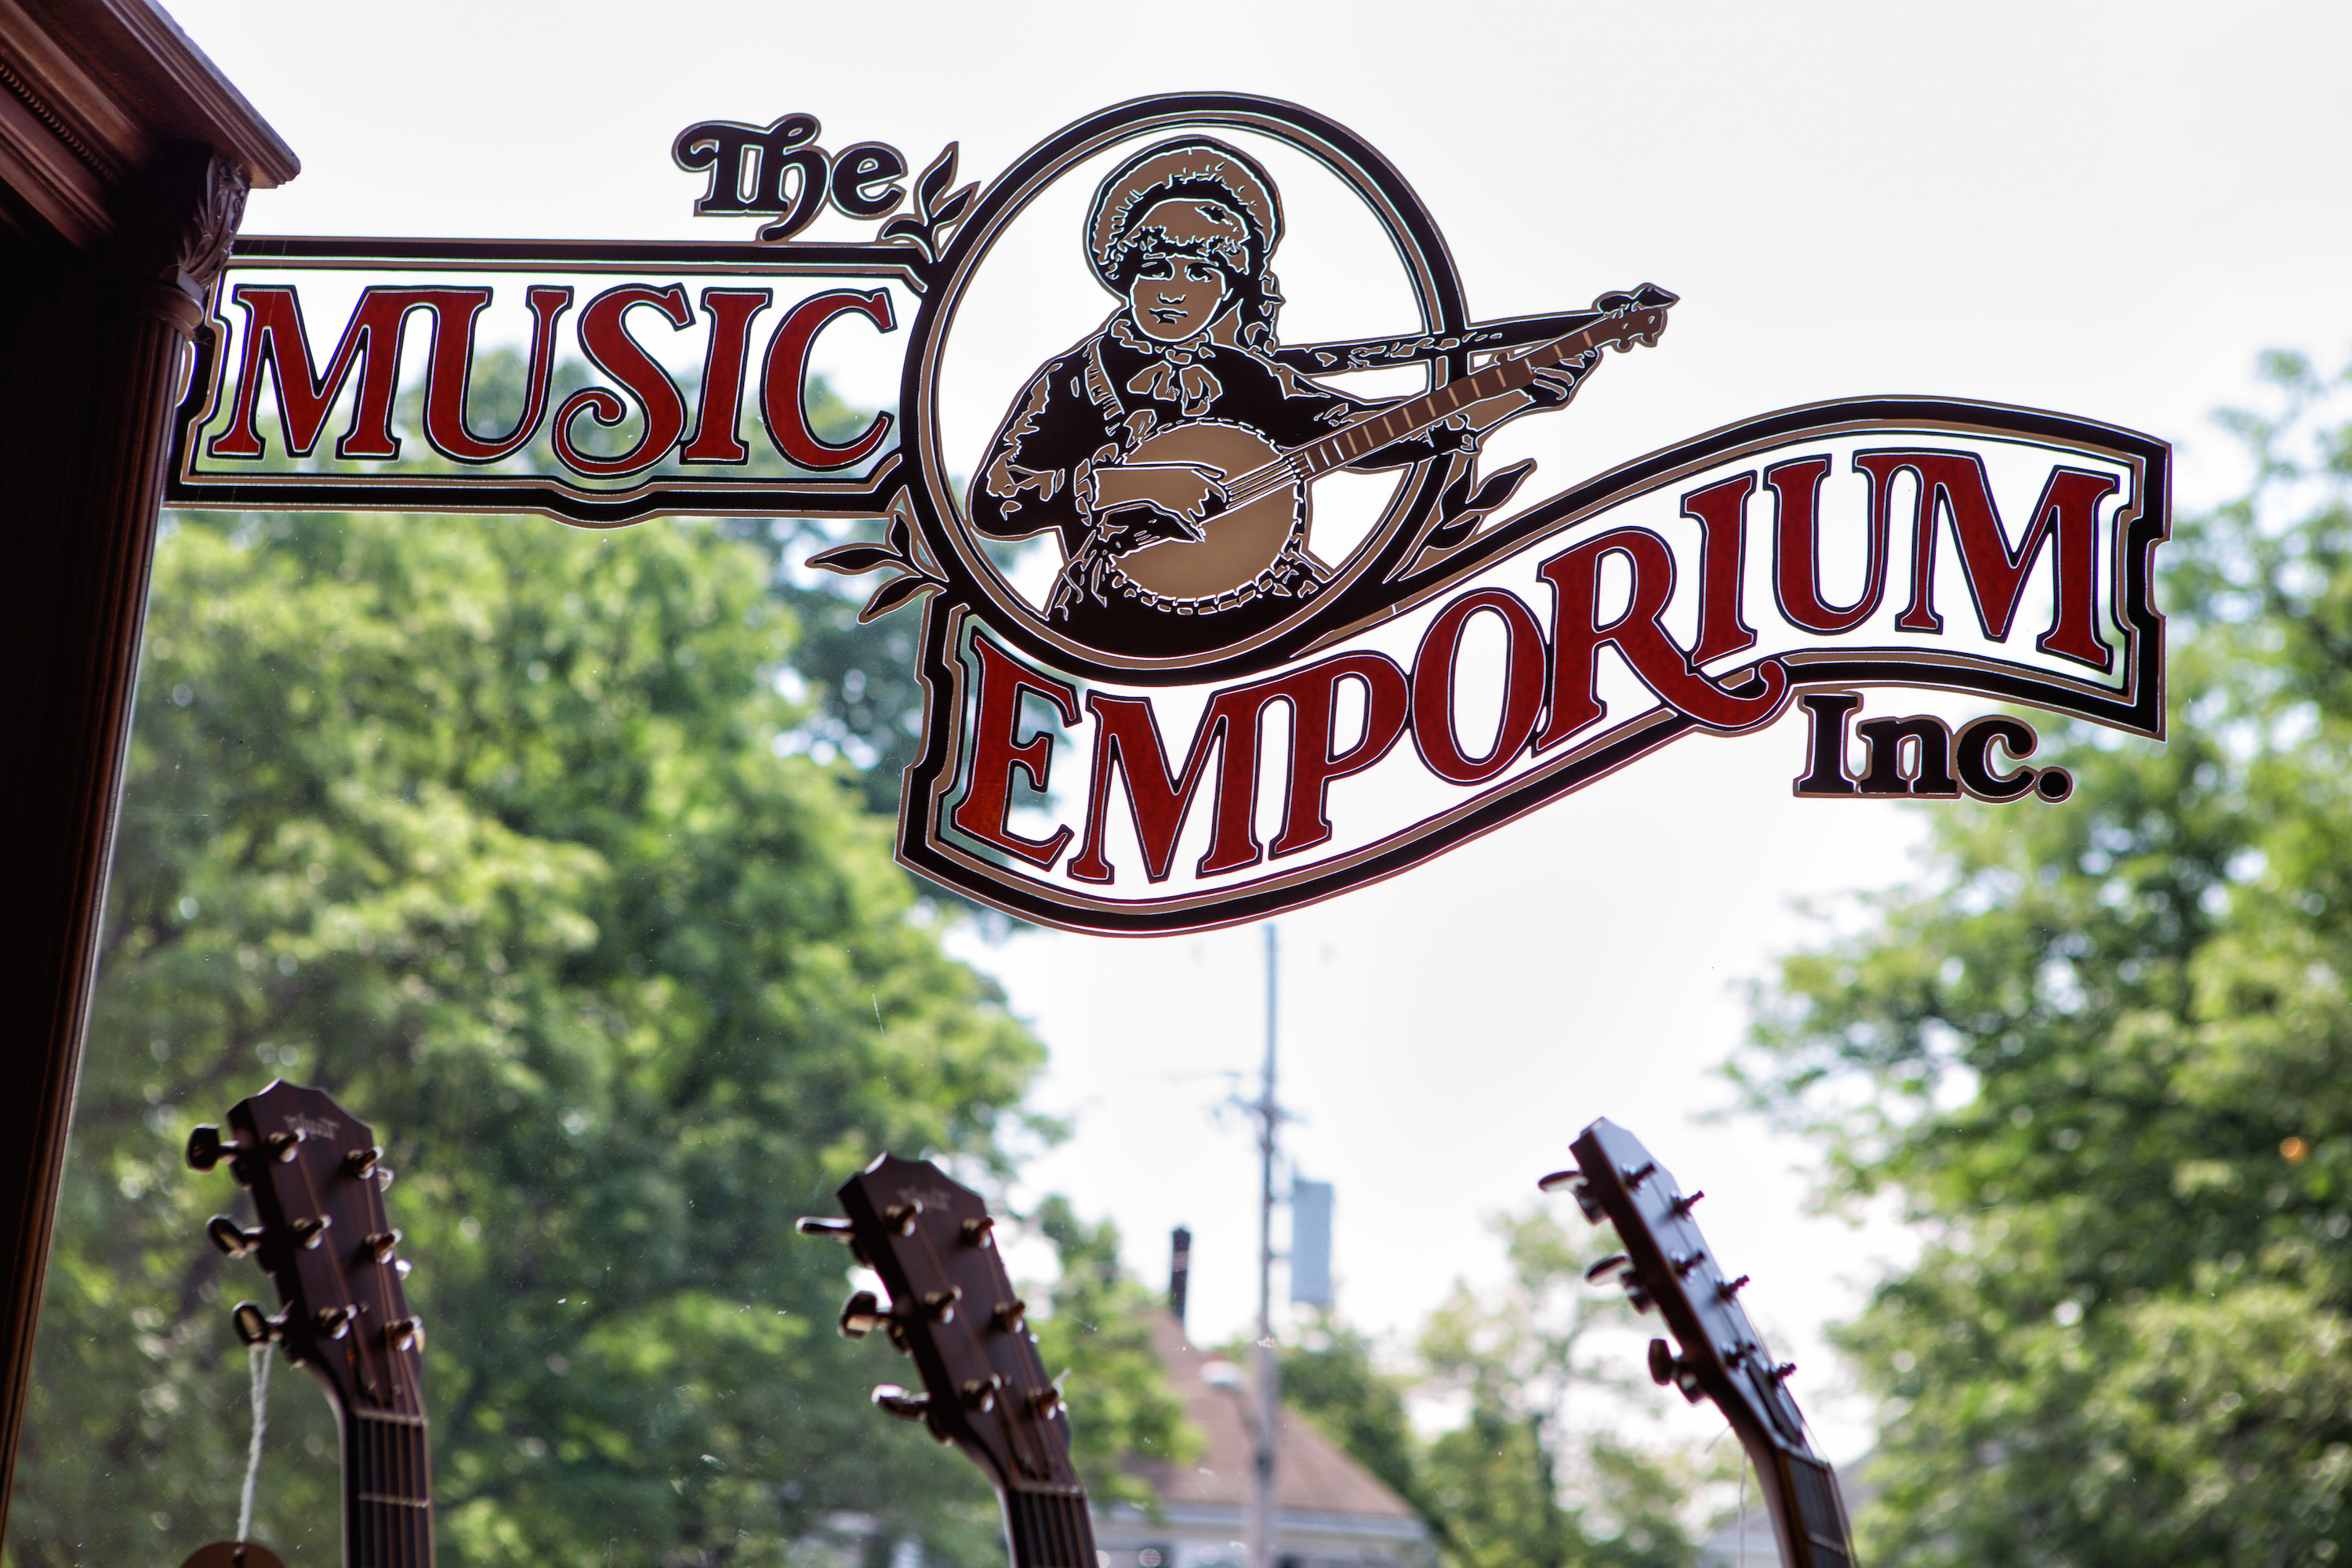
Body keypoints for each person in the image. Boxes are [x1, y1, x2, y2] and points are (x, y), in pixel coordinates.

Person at [970, 136, 1581, 656]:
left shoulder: (1247, 378)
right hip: (1116, 622)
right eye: (1157, 269)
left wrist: (1508, 397)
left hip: (1265, 608)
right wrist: (1129, 485)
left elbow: (1364, 432)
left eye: (1201, 273)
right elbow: (996, 503)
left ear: (1230, 289)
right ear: (1124, 273)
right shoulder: (1073, 378)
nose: (1175, 291)